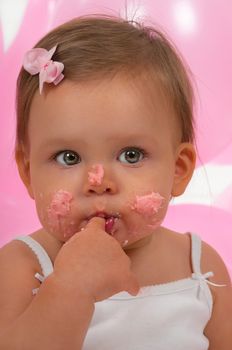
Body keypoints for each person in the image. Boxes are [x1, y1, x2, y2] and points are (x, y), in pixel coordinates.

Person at [0, 14, 231, 350]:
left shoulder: (199, 265)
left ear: (178, 170)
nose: (99, 183)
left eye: (131, 155)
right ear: (28, 172)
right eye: (69, 157)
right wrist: (70, 286)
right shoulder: (23, 267)